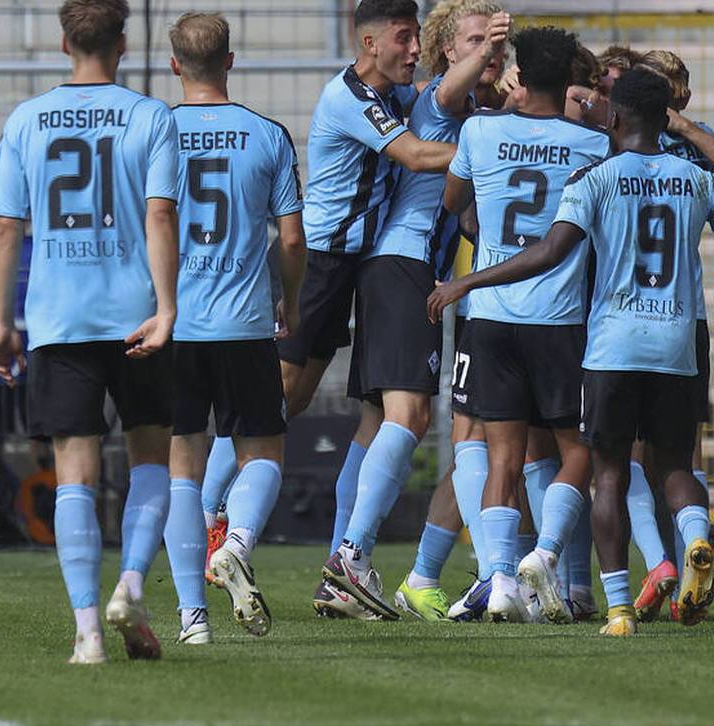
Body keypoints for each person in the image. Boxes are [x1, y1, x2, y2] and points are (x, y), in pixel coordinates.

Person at [427, 67, 714, 636]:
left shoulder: (594, 178)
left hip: (612, 347)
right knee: (675, 464)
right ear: (664, 119)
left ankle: (618, 609)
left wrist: (468, 281)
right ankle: (696, 540)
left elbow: (549, 252)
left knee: (611, 473)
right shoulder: (699, 180)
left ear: (615, 118)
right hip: (676, 345)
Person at [0, 0, 180, 664]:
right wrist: (168, 307)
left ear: (65, 43)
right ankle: (132, 586)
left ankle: (88, 631)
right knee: (151, 457)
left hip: (59, 320)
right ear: (122, 43)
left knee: (74, 472)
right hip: (136, 315)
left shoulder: (27, 119)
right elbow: (159, 216)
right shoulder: (149, 116)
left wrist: (3, 323)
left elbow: (6, 228)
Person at [311, 0, 510, 622]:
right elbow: (447, 94)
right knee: (411, 414)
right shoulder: (444, 100)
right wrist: (487, 59)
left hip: (394, 268)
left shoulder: (476, 113)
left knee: (375, 425)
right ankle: (352, 555)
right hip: (403, 266)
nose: (489, 51)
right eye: (473, 41)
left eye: (495, 43)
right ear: (449, 51)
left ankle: (339, 573)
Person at [264, 0, 456, 619]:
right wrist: (497, 145)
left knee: (352, 415)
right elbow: (418, 155)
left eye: (420, 37)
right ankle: (217, 519)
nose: (413, 49)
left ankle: (341, 567)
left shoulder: (396, 93)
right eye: (403, 37)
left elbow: (429, 97)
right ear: (370, 42)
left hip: (358, 264)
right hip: (324, 259)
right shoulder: (351, 96)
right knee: (276, 400)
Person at [434, 26, 609, 624]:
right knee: (581, 449)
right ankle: (547, 553)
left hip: (490, 316)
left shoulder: (479, 130)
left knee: (502, 457)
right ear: (568, 79)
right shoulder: (592, 146)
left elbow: (454, 201)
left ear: (520, 73)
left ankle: (502, 580)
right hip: (558, 319)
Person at [159, 12, 307, 644]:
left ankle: (192, 619)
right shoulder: (268, 134)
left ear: (174, 66)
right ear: (230, 61)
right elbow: (292, 239)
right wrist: (290, 302)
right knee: (263, 454)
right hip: (245, 323)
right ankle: (238, 544)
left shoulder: (154, 130)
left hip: (175, 324)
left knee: (182, 471)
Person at [627, 48, 714, 623]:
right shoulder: (627, 132)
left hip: (643, 315)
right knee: (664, 451)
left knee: (653, 451)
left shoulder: (682, 141)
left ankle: (670, 569)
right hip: (673, 315)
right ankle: (677, 563)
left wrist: (683, 127)